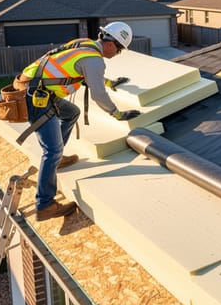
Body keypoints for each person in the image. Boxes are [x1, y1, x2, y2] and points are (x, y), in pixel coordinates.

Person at [15, 22, 142, 221]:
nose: (117, 54)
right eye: (119, 50)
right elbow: (98, 94)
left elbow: (83, 74)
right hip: (36, 96)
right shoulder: (95, 60)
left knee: (71, 112)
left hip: (35, 86)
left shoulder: (85, 44)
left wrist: (110, 82)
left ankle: (58, 160)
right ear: (111, 44)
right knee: (51, 150)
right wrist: (117, 114)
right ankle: (45, 205)